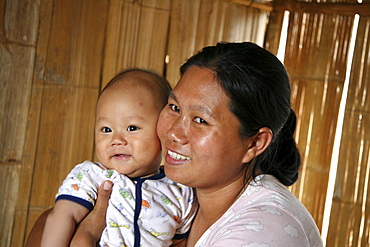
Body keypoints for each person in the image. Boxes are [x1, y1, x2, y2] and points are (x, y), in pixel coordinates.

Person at [28, 42, 323, 246]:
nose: (173, 133)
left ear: (255, 143)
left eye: (201, 121)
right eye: (174, 107)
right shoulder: (181, 193)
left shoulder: (266, 232)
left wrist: (85, 236)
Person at [40, 69, 197, 247]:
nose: (116, 140)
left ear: (163, 129)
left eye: (132, 128)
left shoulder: (180, 191)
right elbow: (61, 217)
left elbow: (180, 242)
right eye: (106, 129)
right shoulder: (91, 177)